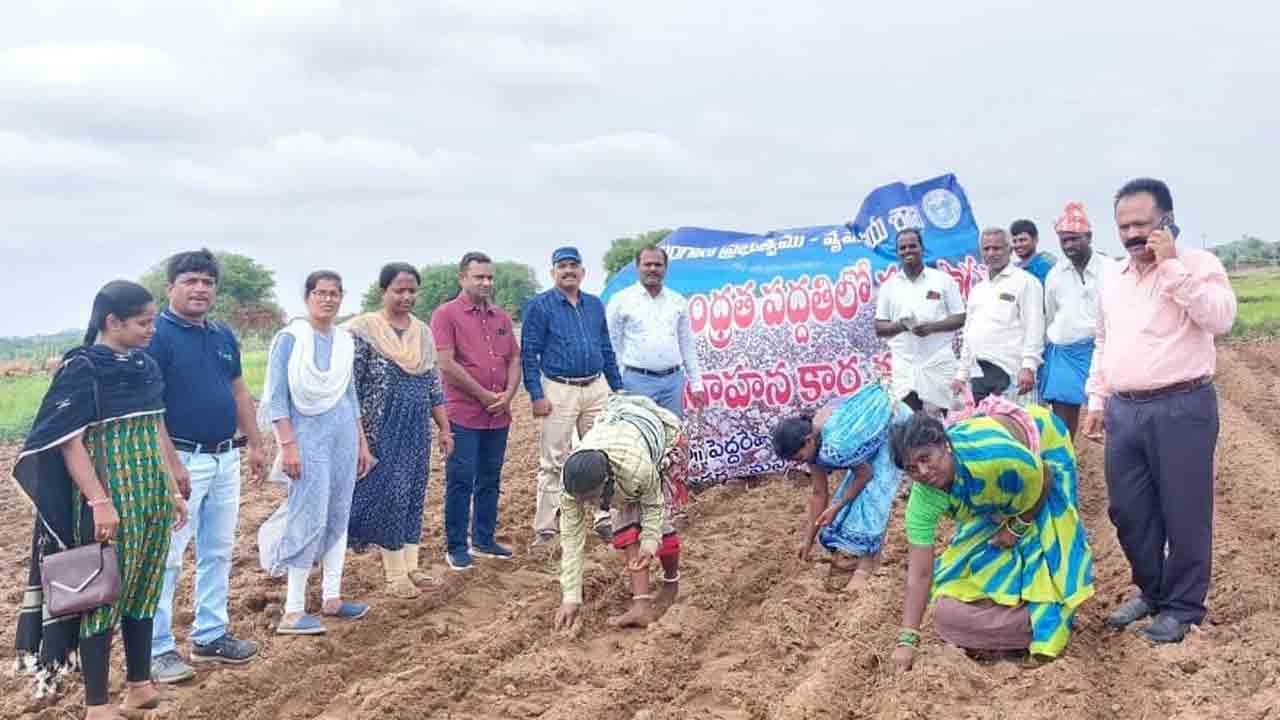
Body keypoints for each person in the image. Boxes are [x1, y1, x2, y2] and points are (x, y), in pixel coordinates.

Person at [14, 280, 189, 718]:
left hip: (149, 494)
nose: (152, 329)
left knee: (144, 588)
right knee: (102, 591)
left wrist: (170, 488)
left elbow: (155, 425)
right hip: (111, 498)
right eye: (144, 322)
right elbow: (69, 441)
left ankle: (138, 684)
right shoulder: (83, 367)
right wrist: (98, 501)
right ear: (113, 321)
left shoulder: (145, 366)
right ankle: (96, 704)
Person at [1083, 178, 1237, 643]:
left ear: (1167, 221)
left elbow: (1220, 319)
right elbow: (1104, 341)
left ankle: (1184, 607)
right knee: (1128, 512)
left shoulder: (1198, 266)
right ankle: (1152, 590)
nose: (1131, 234)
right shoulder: (1113, 277)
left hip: (1182, 406)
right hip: (1125, 411)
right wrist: (1097, 399)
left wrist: (1171, 267)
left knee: (1185, 512)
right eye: (1123, 225)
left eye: (1142, 224)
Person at [888, 399, 1095, 671]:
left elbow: (1043, 476)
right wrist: (907, 640)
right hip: (994, 490)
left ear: (945, 446)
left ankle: (1049, 614)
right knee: (947, 605)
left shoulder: (993, 459)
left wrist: (1017, 526)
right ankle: (1017, 624)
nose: (923, 473)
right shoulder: (924, 498)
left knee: (1050, 549)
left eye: (926, 458)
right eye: (911, 468)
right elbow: (920, 573)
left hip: (1040, 452)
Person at [147, 249, 266, 684]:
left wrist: (254, 442)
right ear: (171, 288)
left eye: (207, 282)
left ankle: (210, 634)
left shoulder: (221, 335)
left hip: (224, 457)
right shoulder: (156, 335)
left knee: (218, 550)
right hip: (183, 458)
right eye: (191, 280)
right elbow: (151, 408)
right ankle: (157, 649)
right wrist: (169, 462)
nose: (200, 289)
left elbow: (238, 390)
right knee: (169, 557)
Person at [258, 271, 375, 636]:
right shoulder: (290, 340)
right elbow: (277, 399)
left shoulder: (344, 340)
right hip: (306, 436)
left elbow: (350, 394)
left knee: (339, 511)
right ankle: (293, 610)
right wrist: (287, 445)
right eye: (321, 293)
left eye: (334, 294)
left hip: (342, 433)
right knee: (308, 515)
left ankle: (332, 596)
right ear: (307, 297)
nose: (328, 299)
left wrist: (361, 442)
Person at [344, 263, 451, 596]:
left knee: (413, 493)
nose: (406, 296)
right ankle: (394, 577)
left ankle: (411, 566)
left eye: (411, 291)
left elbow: (434, 386)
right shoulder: (363, 331)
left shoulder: (422, 332)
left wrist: (445, 429)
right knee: (390, 495)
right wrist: (360, 436)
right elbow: (350, 387)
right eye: (399, 290)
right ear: (383, 292)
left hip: (416, 426)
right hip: (380, 427)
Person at [552, 395, 688, 632]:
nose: (590, 505)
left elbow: (653, 506)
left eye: (593, 498)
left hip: (663, 440)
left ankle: (671, 582)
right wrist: (571, 597)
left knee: (659, 524)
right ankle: (642, 605)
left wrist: (649, 543)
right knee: (626, 524)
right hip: (621, 439)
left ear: (607, 481)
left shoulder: (638, 469)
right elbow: (572, 541)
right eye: (584, 500)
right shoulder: (570, 487)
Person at [521, 246, 623, 548]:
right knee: (553, 459)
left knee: (604, 454)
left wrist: (616, 387)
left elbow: (606, 348)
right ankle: (547, 526)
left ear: (582, 272)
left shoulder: (593, 305)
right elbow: (528, 353)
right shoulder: (540, 306)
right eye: (562, 266)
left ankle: (605, 518)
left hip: (595, 387)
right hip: (558, 388)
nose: (568, 271)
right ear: (553, 272)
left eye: (573, 266)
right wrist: (536, 395)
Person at [771, 382, 913, 592]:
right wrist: (807, 540)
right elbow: (819, 494)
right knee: (848, 496)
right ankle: (858, 554)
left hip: (894, 421)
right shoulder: (813, 444)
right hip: (866, 427)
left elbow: (866, 475)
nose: (800, 462)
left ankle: (867, 568)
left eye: (799, 457)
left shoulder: (835, 447)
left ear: (808, 441)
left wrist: (837, 506)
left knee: (875, 496)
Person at [432, 252, 521, 571]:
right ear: (462, 278)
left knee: (490, 478)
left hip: (498, 413)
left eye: (489, 277)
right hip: (463, 413)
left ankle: (484, 539)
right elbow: (446, 363)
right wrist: (484, 395)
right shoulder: (446, 315)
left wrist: (508, 394)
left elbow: (513, 358)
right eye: (479, 277)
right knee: (460, 478)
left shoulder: (500, 317)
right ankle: (456, 545)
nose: (486, 282)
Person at [1040, 204, 1116, 438]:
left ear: (1089, 237)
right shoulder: (1055, 275)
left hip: (1102, 350)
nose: (1069, 245)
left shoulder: (1111, 269)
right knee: (1062, 424)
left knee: (1113, 417)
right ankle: (1065, 468)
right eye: (1064, 241)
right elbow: (1049, 315)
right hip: (1064, 353)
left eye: (1074, 239)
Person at [606, 244, 708, 416]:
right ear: (637, 267)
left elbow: (686, 345)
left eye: (658, 264)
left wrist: (696, 384)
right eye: (647, 264)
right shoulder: (620, 300)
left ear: (665, 268)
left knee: (673, 436)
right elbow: (611, 345)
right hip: (636, 382)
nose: (653, 269)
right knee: (638, 436)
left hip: (673, 383)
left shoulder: (677, 301)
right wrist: (614, 385)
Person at [874, 228, 966, 414]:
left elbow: (960, 317)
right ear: (897, 252)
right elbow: (879, 327)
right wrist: (902, 325)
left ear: (922, 248)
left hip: (938, 360)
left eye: (912, 246)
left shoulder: (942, 280)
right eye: (903, 248)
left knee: (949, 415)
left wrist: (931, 328)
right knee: (909, 417)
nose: (908, 251)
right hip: (904, 363)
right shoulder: (889, 286)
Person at [953, 227, 1045, 404]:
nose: (992, 253)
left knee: (1016, 429)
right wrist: (962, 374)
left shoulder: (1026, 282)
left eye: (997, 248)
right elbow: (969, 334)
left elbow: (1035, 328)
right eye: (986, 249)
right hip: (979, 375)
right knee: (985, 430)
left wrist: (1028, 366)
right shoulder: (978, 290)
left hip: (1013, 374)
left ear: (1009, 250)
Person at [1010, 219, 1058, 287]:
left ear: (1035, 240)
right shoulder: (1012, 269)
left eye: (1022, 240)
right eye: (1014, 241)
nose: (1018, 245)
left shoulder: (1047, 265)